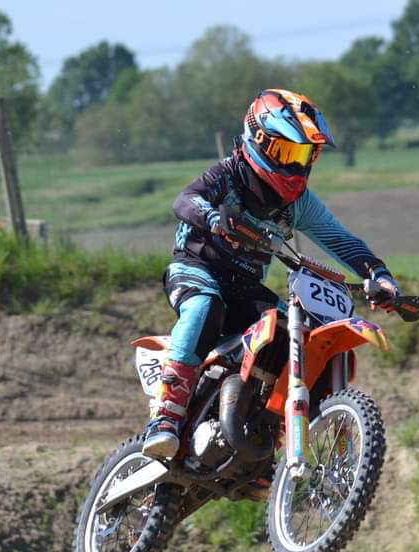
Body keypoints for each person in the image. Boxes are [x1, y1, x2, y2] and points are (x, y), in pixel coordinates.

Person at [143, 88, 401, 468]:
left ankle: (264, 438)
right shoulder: (228, 175)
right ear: (259, 139)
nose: (296, 167)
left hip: (245, 286)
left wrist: (378, 273)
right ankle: (167, 412)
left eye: (304, 156)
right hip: (196, 268)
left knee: (293, 335)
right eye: (287, 153)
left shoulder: (298, 203)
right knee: (205, 306)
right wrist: (213, 218)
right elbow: (184, 201)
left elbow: (340, 240)